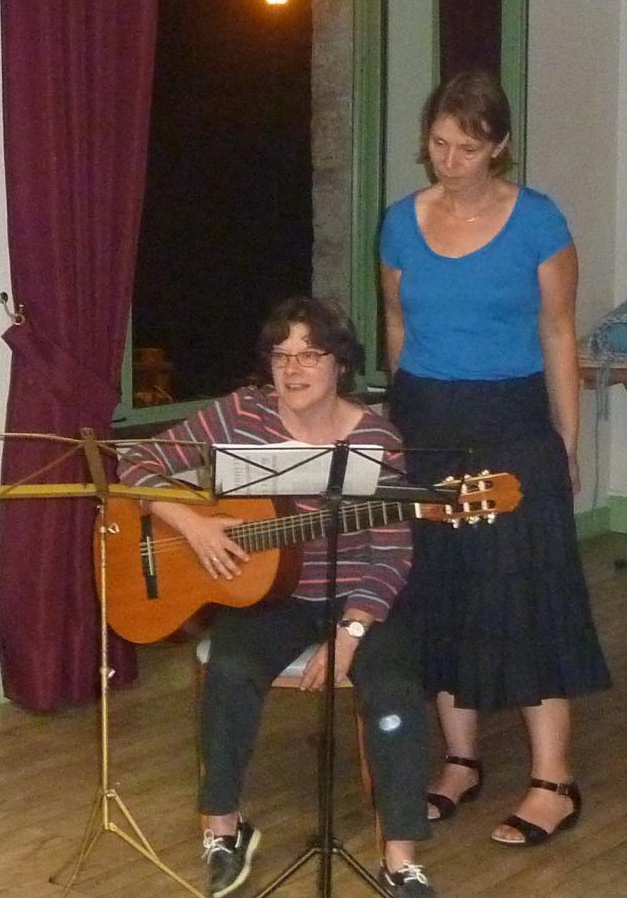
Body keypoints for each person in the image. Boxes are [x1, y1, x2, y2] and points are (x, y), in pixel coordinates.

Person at [118, 297, 436, 898]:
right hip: (271, 598)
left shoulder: (376, 437)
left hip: (358, 598)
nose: (293, 369)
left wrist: (352, 632)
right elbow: (135, 462)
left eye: (310, 355)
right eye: (281, 355)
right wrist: (191, 523)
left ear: (340, 363)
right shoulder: (242, 414)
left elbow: (392, 552)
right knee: (230, 671)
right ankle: (224, 830)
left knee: (395, 692)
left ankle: (401, 860)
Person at [379, 70, 610, 847]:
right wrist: (396, 428)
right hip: (427, 422)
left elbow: (557, 332)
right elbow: (396, 326)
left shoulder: (538, 221)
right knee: (442, 594)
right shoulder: (400, 224)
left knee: (530, 595)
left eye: (467, 148)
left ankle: (553, 780)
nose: (448, 160)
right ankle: (462, 760)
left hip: (514, 422)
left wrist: (566, 443)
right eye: (439, 144)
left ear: (500, 147)